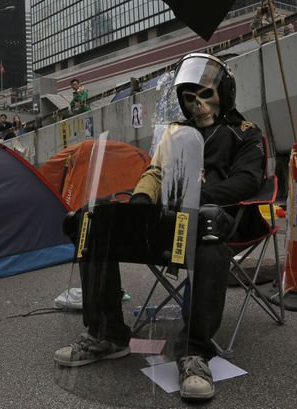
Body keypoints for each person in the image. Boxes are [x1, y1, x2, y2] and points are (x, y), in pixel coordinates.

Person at [54, 53, 266, 402]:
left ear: (223, 93)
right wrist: (141, 201)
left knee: (208, 220)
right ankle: (107, 333)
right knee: (92, 221)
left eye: (205, 95)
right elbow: (155, 173)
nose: (197, 105)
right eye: (189, 98)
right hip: (168, 221)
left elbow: (246, 181)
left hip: (220, 221)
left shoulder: (244, 132)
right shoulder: (176, 134)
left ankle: (195, 352)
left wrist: (193, 197)